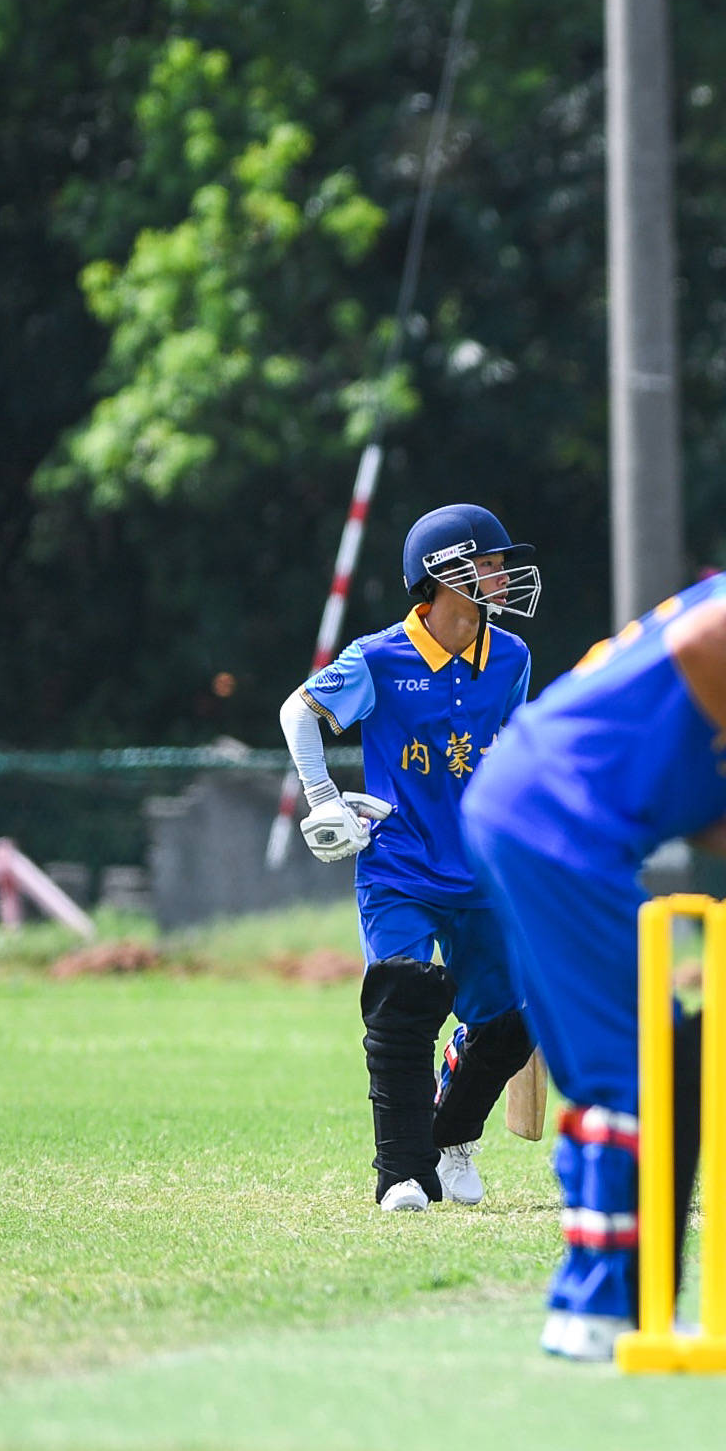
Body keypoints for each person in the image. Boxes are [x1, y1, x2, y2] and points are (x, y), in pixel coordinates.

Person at [462, 455, 726, 1362]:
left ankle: (603, 1299)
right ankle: (598, 1305)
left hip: (537, 808)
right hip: (561, 820)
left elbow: (689, 794)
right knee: (639, 1064)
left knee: (635, 1056)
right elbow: (702, 643)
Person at [279, 504, 539, 1212]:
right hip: (399, 863)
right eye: (490, 563)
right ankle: (402, 1174)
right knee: (402, 998)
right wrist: (323, 796)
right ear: (445, 573)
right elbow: (299, 711)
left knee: (508, 1025)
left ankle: (452, 1142)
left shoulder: (511, 658)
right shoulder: (379, 657)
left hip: (482, 868)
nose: (504, 575)